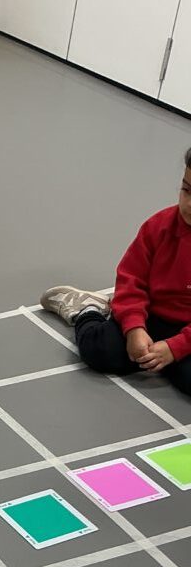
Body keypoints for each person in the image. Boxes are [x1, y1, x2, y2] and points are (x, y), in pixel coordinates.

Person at [40, 147, 191, 395]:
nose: (189, 204)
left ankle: (166, 359)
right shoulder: (158, 227)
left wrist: (175, 348)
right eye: (186, 190)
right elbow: (131, 281)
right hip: (152, 315)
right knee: (101, 352)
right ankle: (86, 309)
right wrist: (134, 327)